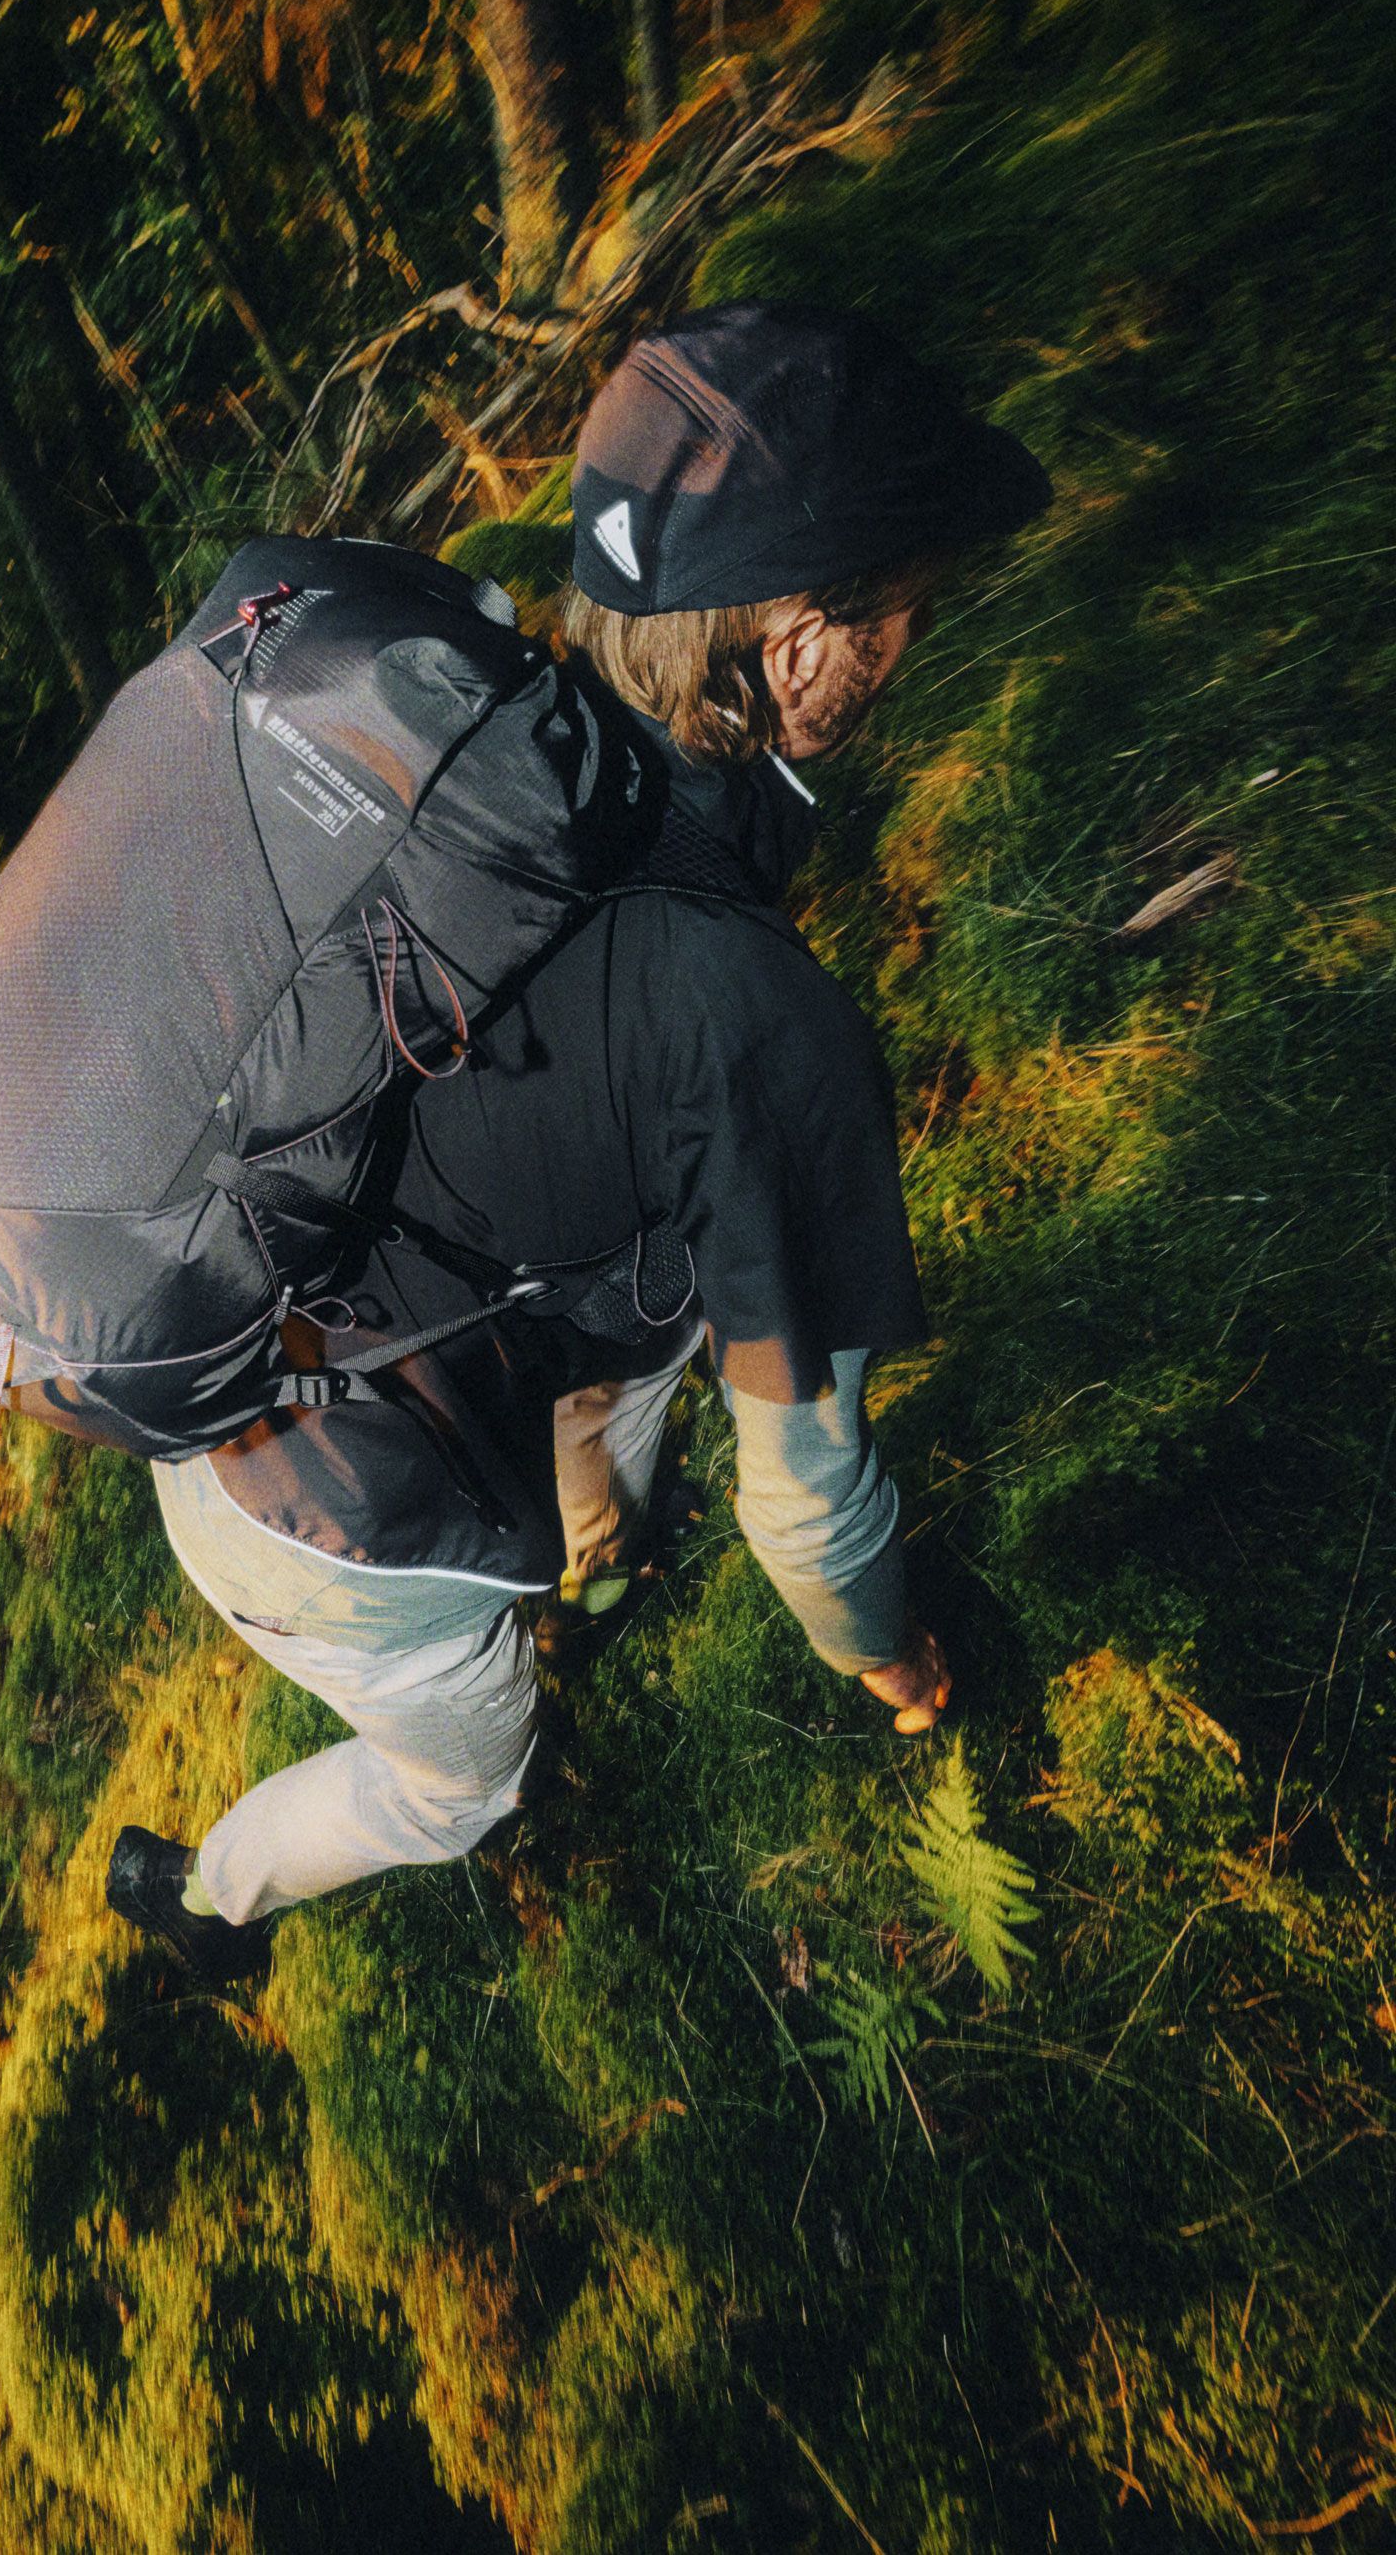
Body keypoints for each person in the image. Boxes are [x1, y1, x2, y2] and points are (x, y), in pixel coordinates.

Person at [106, 301, 1050, 1981]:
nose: (914, 638)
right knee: (460, 1789)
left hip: (281, 1334)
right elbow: (809, 1503)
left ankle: (583, 1563)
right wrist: (887, 1653)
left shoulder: (488, 746)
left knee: (631, 1345)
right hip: (329, 1535)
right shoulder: (765, 1030)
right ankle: (205, 1898)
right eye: (900, 611)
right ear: (803, 650)